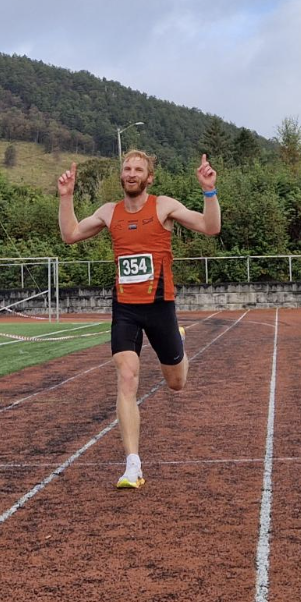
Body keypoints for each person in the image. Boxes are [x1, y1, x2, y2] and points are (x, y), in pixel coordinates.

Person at [58, 150, 220, 489]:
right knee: (126, 376)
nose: (131, 173)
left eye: (138, 170)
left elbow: (210, 227)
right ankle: (133, 465)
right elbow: (70, 234)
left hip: (160, 306)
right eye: (127, 168)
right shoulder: (108, 212)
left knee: (176, 383)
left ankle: (179, 342)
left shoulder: (164, 207)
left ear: (149, 178)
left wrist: (209, 191)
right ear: (122, 175)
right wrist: (66, 197)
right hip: (125, 308)